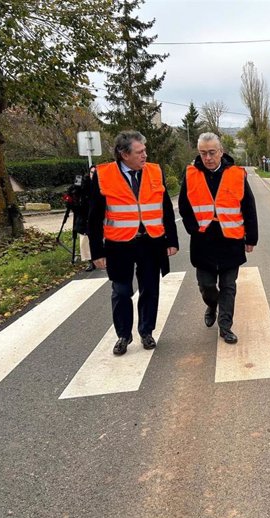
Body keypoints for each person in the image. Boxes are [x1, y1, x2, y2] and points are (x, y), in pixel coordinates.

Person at [88, 131, 179, 355]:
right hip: (119, 245)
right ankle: (123, 335)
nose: (144, 155)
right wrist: (97, 252)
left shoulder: (155, 171)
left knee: (150, 288)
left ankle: (146, 331)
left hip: (151, 242)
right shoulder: (103, 175)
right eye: (139, 152)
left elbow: (166, 208)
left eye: (145, 151)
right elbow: (94, 217)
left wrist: (172, 240)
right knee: (121, 291)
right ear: (123, 154)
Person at [178, 132, 258, 345]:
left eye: (212, 152)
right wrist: (192, 228)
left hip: (230, 240)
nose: (208, 157)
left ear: (221, 151)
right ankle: (211, 305)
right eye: (203, 153)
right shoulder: (191, 174)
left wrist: (251, 237)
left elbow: (248, 207)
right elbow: (184, 207)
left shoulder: (236, 174)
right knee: (206, 285)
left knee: (228, 285)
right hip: (203, 241)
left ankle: (225, 326)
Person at [77, 165, 96, 272]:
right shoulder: (84, 186)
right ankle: (90, 261)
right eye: (92, 172)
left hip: (99, 216)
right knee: (85, 240)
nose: (94, 175)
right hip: (85, 217)